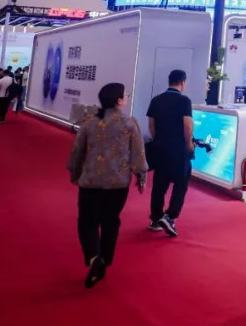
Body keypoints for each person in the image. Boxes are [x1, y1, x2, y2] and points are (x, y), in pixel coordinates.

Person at [67, 83, 148, 288]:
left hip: (90, 182)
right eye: (125, 95)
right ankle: (105, 259)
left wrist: (75, 174)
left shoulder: (89, 123)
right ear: (119, 101)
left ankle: (94, 257)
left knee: (87, 222)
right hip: (118, 184)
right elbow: (138, 154)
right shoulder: (130, 123)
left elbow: (77, 152)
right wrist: (141, 176)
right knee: (111, 221)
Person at [146, 69, 193, 237]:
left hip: (160, 148)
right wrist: (188, 143)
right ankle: (170, 216)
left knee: (159, 185)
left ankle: (155, 218)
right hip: (179, 149)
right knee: (181, 183)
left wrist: (158, 140)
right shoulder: (184, 101)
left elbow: (151, 125)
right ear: (183, 82)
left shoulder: (156, 100)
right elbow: (187, 125)